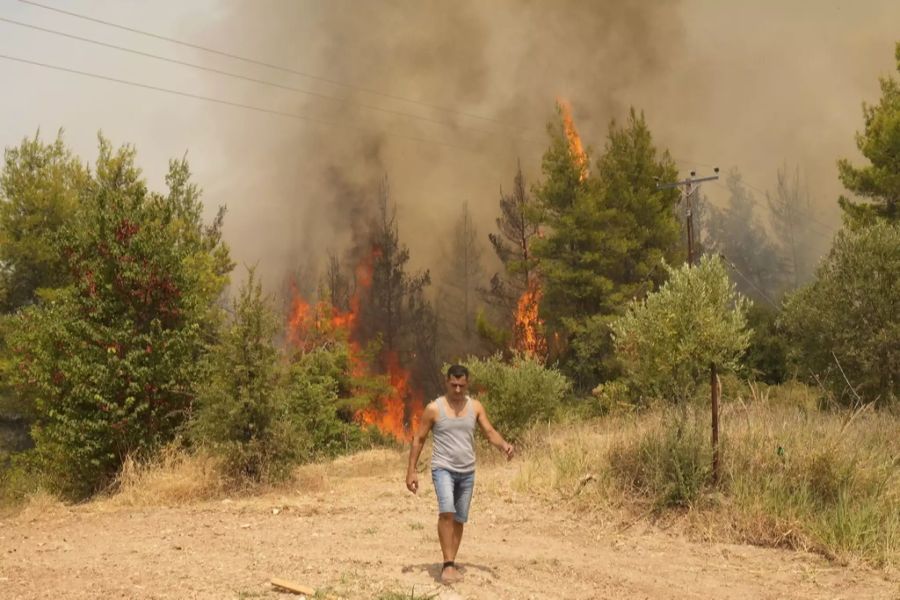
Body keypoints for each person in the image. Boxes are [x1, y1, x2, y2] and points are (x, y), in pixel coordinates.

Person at [406, 364, 515, 584]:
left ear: (467, 383)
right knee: (446, 511)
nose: (457, 390)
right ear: (446, 382)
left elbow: (489, 431)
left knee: (459, 518)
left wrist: (504, 445)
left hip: (467, 471)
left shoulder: (475, 407)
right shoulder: (434, 409)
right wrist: (411, 471)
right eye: (453, 385)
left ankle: (452, 562)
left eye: (461, 385)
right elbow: (419, 438)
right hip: (442, 468)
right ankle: (447, 565)